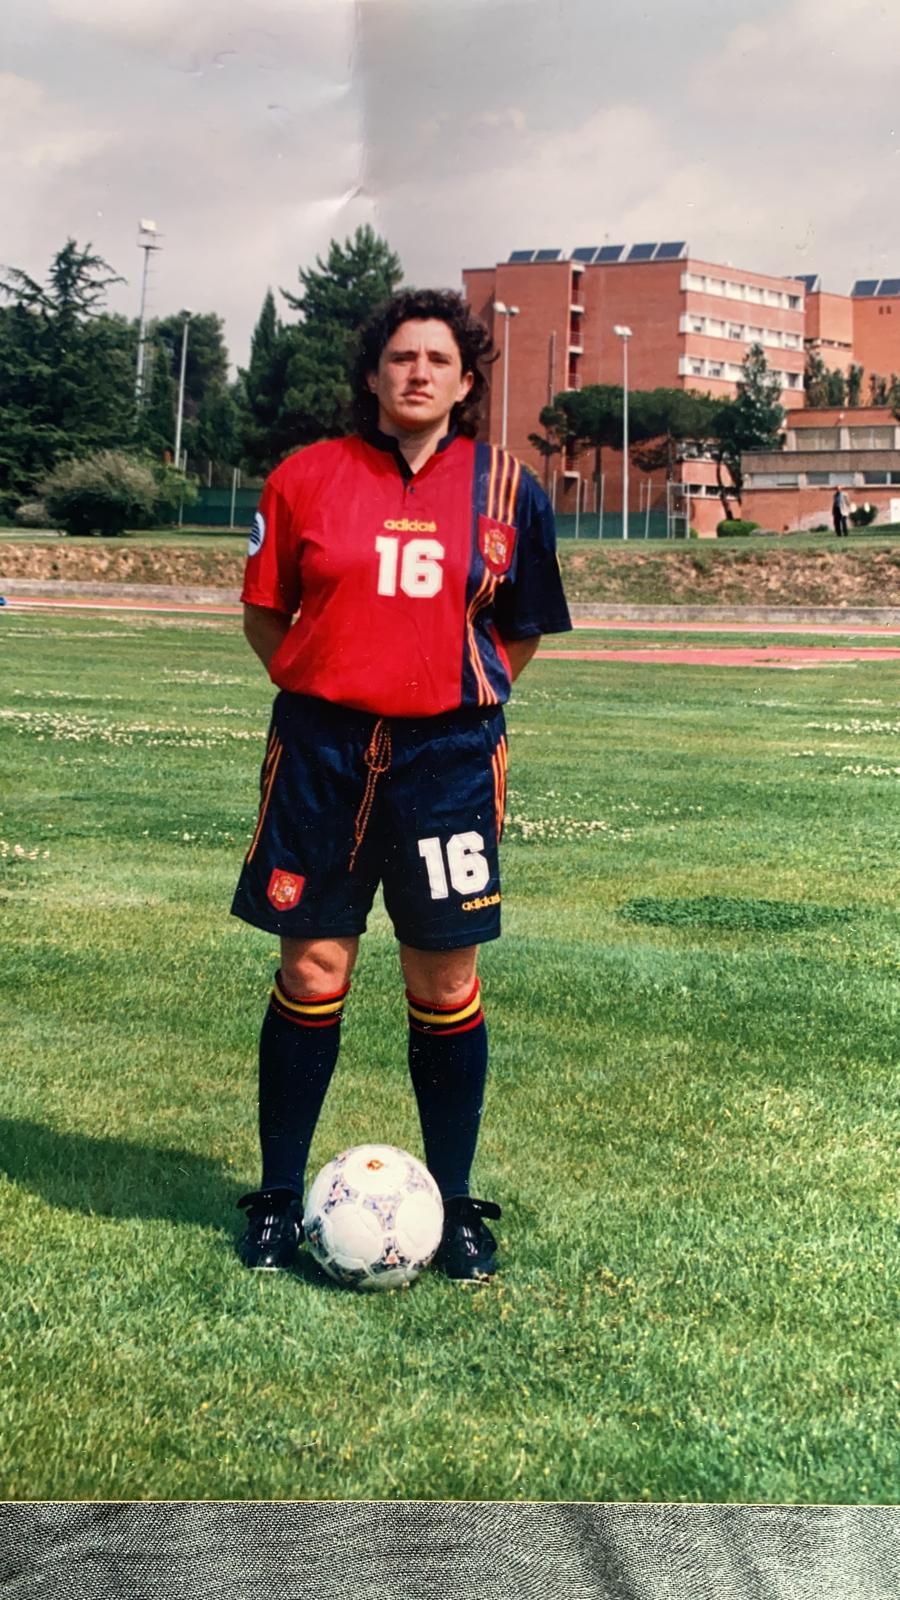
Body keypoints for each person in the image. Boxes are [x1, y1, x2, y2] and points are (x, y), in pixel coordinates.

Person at [230, 288, 572, 1279]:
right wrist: (327, 683)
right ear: (373, 374)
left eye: (438, 359)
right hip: (323, 756)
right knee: (311, 972)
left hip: (449, 762)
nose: (417, 372)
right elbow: (267, 616)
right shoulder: (306, 477)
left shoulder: (510, 488)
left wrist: (461, 697)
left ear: (466, 381)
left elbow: (523, 627)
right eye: (399, 357)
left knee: (447, 979)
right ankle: (277, 1197)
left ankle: (458, 1206)